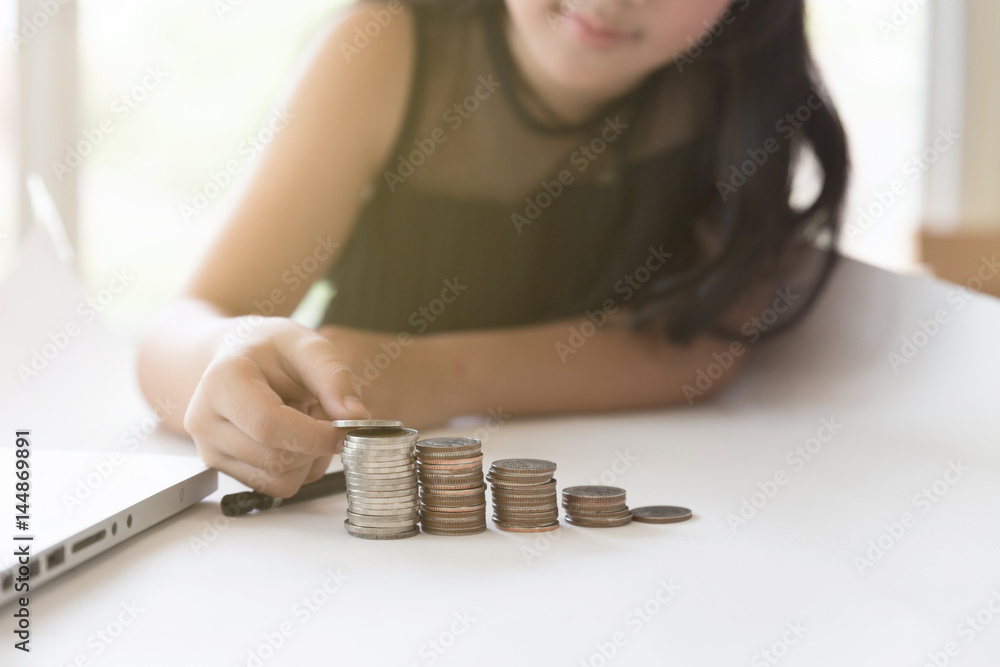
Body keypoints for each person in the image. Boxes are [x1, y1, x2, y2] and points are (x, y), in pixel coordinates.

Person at [137, 0, 849, 499]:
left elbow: (705, 347)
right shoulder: (382, 51)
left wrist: (434, 375)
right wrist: (226, 361)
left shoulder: (741, 90)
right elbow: (181, 329)